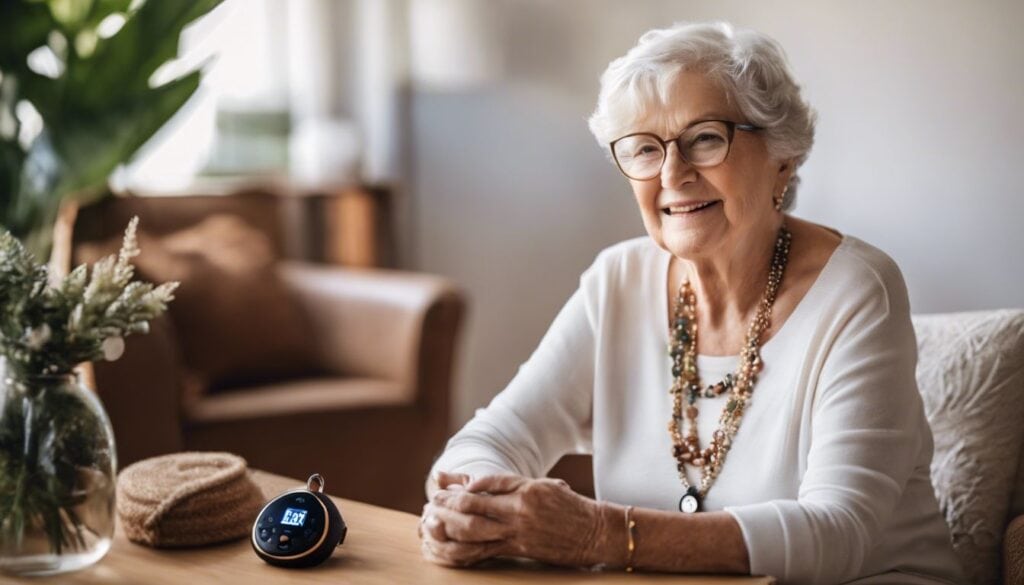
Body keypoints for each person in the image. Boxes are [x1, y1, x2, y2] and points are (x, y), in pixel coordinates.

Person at [418, 21, 963, 584]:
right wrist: (472, 511)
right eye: (644, 149)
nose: (672, 174)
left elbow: (836, 532)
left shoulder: (856, 290)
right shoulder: (618, 280)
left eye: (704, 138)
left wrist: (596, 533)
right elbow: (492, 439)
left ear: (782, 157)